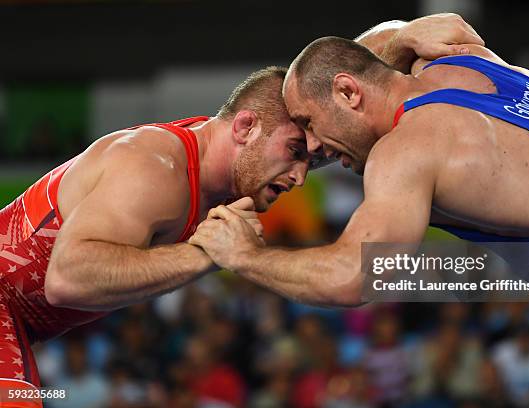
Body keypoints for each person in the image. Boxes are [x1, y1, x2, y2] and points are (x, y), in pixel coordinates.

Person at [0, 14, 480, 397]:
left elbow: (321, 74)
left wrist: (400, 36)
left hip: (20, 327)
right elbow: (67, 280)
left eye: (310, 164)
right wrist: (210, 253)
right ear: (245, 128)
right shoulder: (154, 166)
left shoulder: (223, 164)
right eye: (295, 153)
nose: (297, 177)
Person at [189, 17, 529, 407]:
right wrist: (404, 35)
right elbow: (364, 54)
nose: (314, 149)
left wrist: (245, 256)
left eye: (309, 123)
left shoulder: (407, 151)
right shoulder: (466, 63)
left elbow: (352, 278)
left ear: (349, 92)